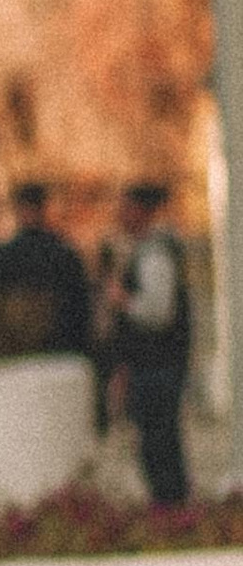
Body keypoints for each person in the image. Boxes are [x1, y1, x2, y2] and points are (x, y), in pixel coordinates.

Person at [98, 183, 193, 508]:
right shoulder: (145, 250)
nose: (120, 216)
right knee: (155, 443)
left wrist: (122, 301)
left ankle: (172, 511)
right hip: (152, 366)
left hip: (158, 366)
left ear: (141, 210)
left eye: (125, 207)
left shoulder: (154, 254)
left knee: (160, 444)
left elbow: (158, 312)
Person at [0, 181, 93, 360]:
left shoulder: (4, 255)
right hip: (59, 350)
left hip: (18, 352)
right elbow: (80, 307)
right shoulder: (64, 252)